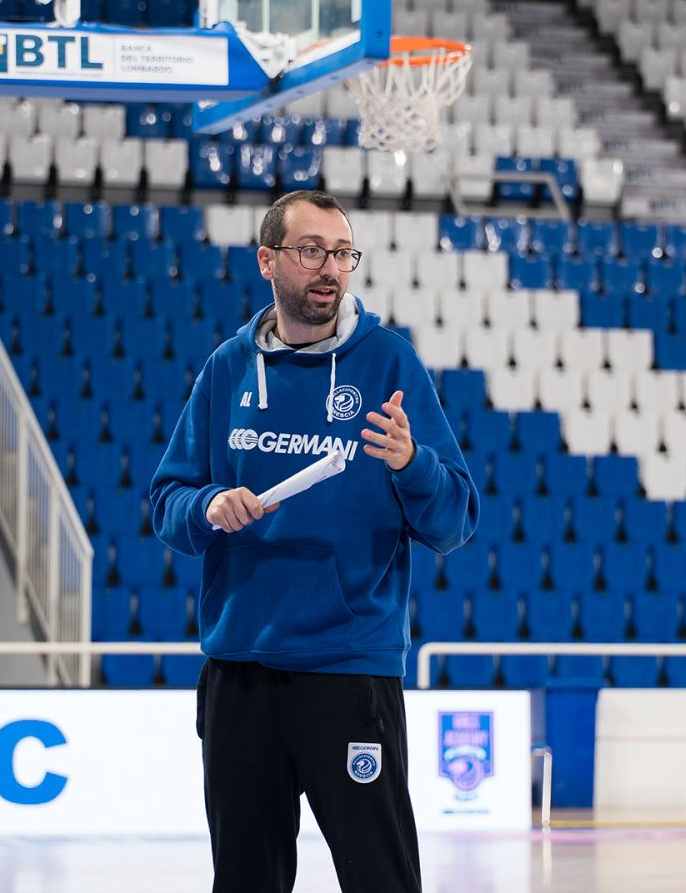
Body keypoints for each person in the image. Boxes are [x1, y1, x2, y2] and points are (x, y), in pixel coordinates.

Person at [150, 190, 479, 893]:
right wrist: (208, 505)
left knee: (381, 880)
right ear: (267, 261)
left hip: (349, 671)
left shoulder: (389, 363)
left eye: (342, 253)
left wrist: (412, 464)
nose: (330, 268)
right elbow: (167, 503)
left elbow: (454, 522)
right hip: (241, 673)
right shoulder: (227, 369)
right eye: (311, 251)